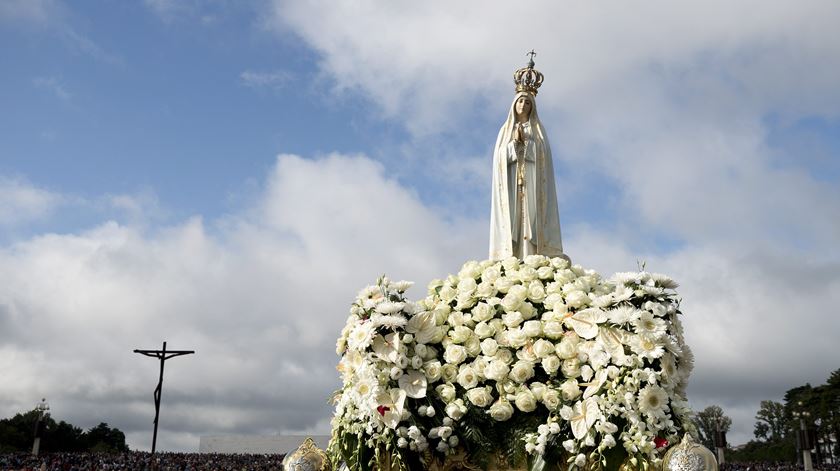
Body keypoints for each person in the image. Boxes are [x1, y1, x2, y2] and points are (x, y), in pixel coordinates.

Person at [489, 86, 567, 261]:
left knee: (531, 218)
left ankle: (533, 256)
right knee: (513, 220)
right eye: (520, 101)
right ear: (514, 104)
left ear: (532, 107)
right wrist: (514, 144)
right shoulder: (506, 129)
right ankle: (512, 257)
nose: (523, 105)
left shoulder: (537, 129)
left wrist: (528, 144)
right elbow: (499, 158)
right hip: (512, 183)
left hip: (532, 182)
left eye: (527, 102)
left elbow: (543, 156)